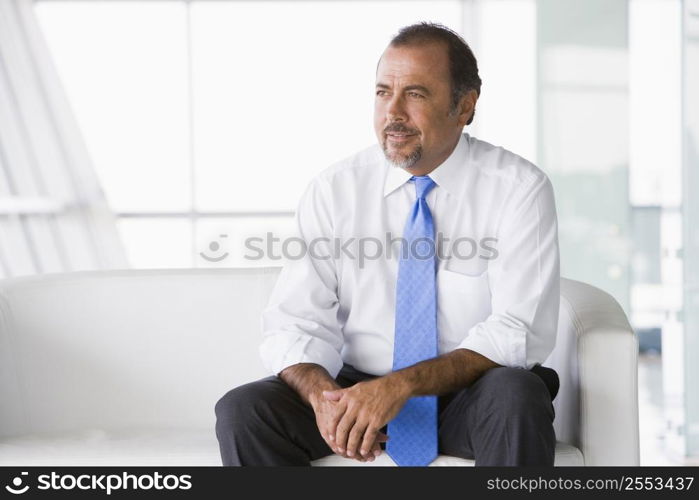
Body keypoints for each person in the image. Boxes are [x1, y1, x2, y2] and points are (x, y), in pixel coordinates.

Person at [215, 22, 560, 467]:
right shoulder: (334, 190)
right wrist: (327, 400)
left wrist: (400, 387)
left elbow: (517, 329)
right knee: (245, 411)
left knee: (517, 393)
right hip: (357, 390)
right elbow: (294, 322)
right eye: (382, 93)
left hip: (467, 394)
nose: (392, 112)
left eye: (415, 94)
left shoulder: (518, 189)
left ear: (465, 106)